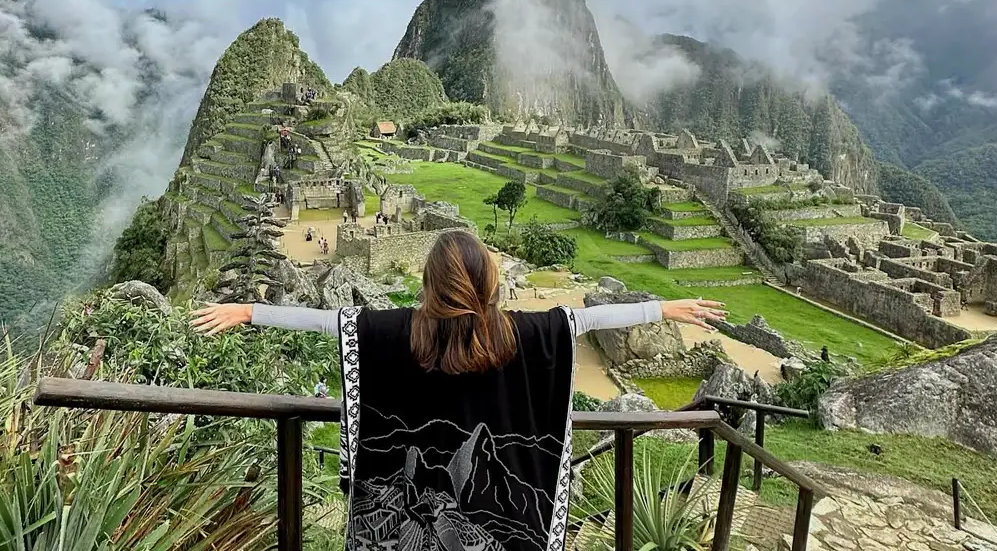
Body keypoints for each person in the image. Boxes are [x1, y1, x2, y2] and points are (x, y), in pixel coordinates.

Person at [191, 230, 725, 550]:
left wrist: (248, 312)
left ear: (431, 283)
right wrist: (666, 309)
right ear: (487, 282)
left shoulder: (397, 331)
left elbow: (325, 321)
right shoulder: (521, 333)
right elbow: (585, 320)